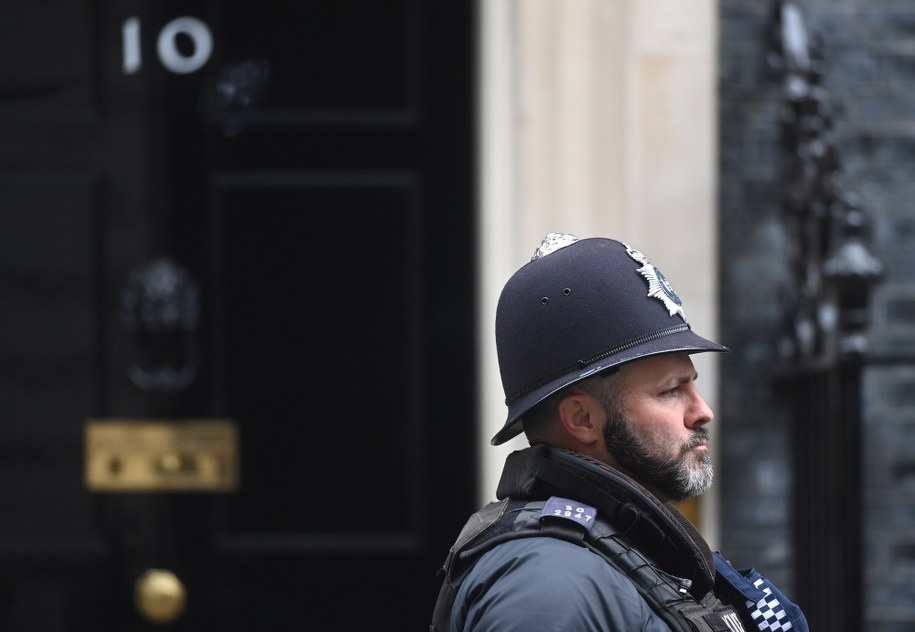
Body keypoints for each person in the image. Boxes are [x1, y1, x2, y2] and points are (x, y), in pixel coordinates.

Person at [430, 233, 808, 632]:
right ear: (582, 418)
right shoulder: (552, 586)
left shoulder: (615, 554)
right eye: (671, 391)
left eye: (693, 385)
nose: (702, 412)